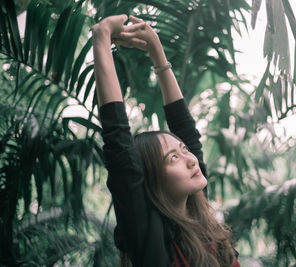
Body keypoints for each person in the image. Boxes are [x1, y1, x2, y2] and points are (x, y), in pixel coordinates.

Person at [92, 14, 241, 267]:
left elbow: (186, 129)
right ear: (153, 180)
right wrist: (102, 35)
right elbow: (118, 142)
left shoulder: (198, 214)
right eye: (173, 158)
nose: (191, 160)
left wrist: (158, 53)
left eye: (184, 150)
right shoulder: (152, 241)